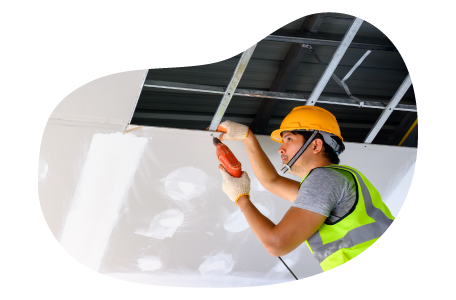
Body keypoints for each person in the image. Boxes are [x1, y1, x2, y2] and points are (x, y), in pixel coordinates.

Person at [217, 106, 410, 272]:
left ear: (316, 144)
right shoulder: (338, 179)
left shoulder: (325, 179)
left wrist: (241, 198)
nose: (281, 149)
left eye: (289, 139)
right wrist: (247, 138)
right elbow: (272, 181)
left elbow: (276, 244)